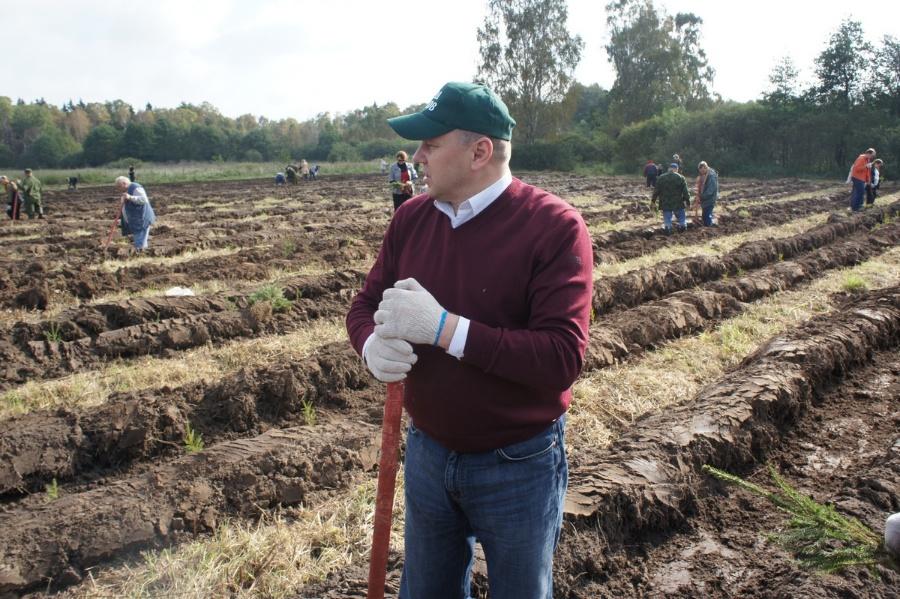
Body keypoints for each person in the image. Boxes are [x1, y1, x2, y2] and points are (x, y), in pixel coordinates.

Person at [346, 81, 593, 598]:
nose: (416, 157)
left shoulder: (554, 227)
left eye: (431, 145)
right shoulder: (411, 219)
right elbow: (366, 305)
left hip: (518, 462)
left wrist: (445, 329)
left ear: (480, 151)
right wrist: (371, 346)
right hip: (429, 454)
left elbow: (560, 358)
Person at [115, 175, 156, 252]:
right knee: (140, 240)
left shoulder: (136, 187)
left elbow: (143, 200)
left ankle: (140, 256)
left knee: (139, 241)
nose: (118, 189)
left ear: (124, 183)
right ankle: (142, 254)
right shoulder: (127, 190)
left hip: (141, 219)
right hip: (136, 220)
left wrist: (130, 197)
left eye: (119, 187)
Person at [651, 163, 691, 233]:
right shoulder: (681, 178)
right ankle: (682, 226)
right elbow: (685, 192)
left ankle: (668, 227)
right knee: (681, 217)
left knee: (667, 218)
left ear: (668, 169)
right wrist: (688, 202)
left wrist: (653, 201)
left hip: (665, 202)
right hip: (678, 202)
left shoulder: (661, 178)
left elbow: (656, 191)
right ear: (676, 169)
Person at [848, 148, 876, 212]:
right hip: (857, 177)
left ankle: (854, 207)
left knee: (856, 192)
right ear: (868, 153)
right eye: (872, 155)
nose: (872, 157)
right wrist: (866, 166)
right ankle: (856, 208)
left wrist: (868, 180)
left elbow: (867, 171)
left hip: (861, 178)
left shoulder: (867, 160)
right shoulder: (861, 158)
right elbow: (856, 168)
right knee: (860, 192)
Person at [696, 161, 719, 226]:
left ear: (705, 168)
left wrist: (701, 196)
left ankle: (709, 228)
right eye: (700, 171)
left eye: (702, 170)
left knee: (707, 216)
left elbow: (710, 191)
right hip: (705, 199)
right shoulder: (706, 174)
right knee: (705, 215)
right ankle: (708, 226)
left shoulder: (711, 176)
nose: (701, 172)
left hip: (710, 199)